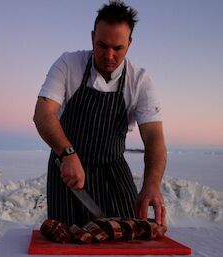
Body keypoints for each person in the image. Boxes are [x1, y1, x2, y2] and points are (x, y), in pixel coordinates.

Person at [33, 0, 167, 227]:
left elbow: (154, 138)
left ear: (130, 43)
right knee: (69, 239)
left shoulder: (140, 81)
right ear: (92, 37)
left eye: (118, 48)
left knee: (126, 235)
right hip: (68, 170)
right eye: (102, 45)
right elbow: (43, 115)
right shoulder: (68, 64)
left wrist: (152, 185)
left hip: (113, 170)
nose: (109, 55)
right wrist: (66, 154)